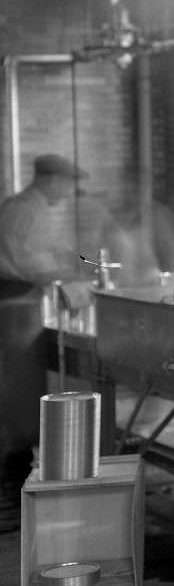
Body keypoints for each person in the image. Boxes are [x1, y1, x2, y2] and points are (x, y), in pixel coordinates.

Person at [0, 154, 89, 532]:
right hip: (13, 307)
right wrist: (65, 272)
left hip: (26, 306)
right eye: (67, 184)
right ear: (52, 180)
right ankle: (9, 489)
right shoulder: (22, 210)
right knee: (14, 399)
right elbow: (23, 260)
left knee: (22, 395)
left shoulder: (32, 210)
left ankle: (17, 481)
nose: (68, 193)